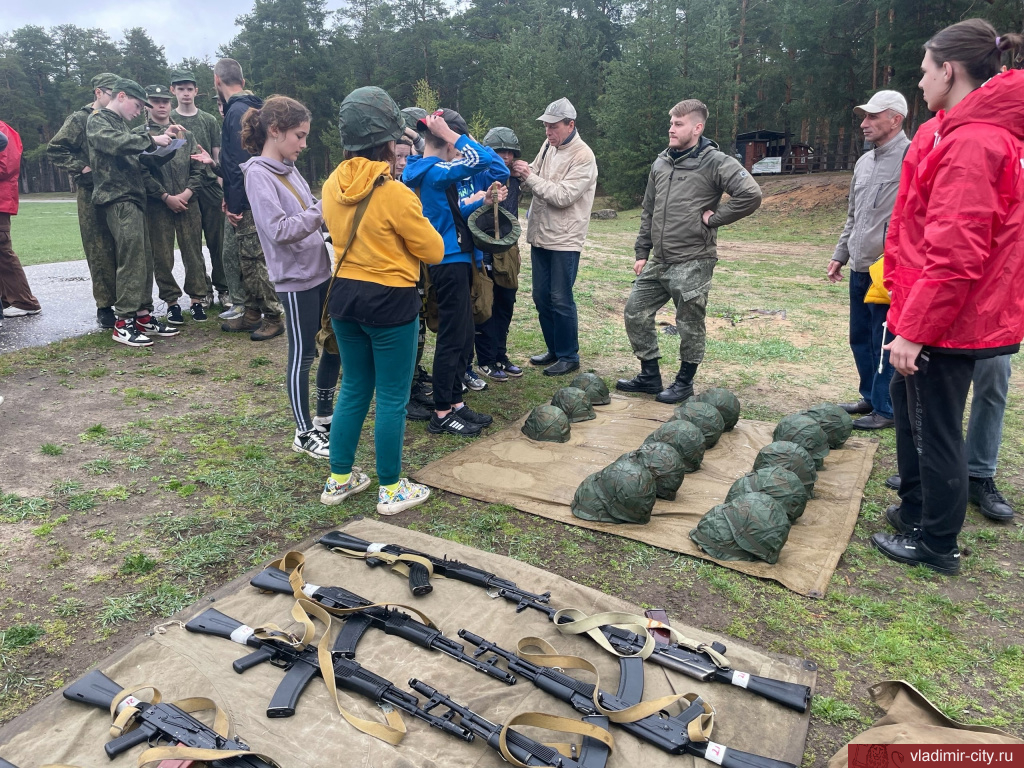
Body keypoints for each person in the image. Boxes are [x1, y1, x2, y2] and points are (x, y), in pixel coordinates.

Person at [872, 20, 1024, 575]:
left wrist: (916, 331)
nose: (920, 81)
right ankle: (916, 508)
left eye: (924, 70)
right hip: (929, 306)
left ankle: (937, 543)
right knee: (912, 412)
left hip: (949, 319)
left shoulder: (975, 142)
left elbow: (957, 252)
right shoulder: (955, 130)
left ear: (949, 70)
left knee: (933, 425)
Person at [319, 86, 444, 513]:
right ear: (389, 142)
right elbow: (434, 251)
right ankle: (391, 489)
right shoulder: (395, 193)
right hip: (390, 301)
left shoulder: (331, 184)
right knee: (392, 397)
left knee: (353, 387)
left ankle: (339, 480)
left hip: (344, 298)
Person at [616, 99, 762, 403]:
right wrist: (642, 251)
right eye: (671, 123)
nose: (671, 129)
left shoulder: (716, 161)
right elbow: (649, 210)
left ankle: (684, 382)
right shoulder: (661, 162)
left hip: (694, 258)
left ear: (697, 128)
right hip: (661, 259)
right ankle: (650, 376)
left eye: (678, 124)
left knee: (689, 323)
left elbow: (750, 194)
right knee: (635, 311)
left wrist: (717, 217)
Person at [239, 95, 340, 460]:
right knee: (303, 353)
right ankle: (303, 432)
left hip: (319, 271)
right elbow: (279, 229)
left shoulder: (288, 166)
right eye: (299, 135)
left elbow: (310, 213)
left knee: (333, 342)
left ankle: (324, 416)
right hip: (294, 282)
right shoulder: (258, 174)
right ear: (275, 130)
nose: (303, 143)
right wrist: (325, 208)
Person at [402, 109, 507, 437]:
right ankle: (443, 413)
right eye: (454, 143)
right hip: (447, 260)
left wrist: (479, 198)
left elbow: (448, 210)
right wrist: (453, 134)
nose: (459, 148)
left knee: (461, 336)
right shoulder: (434, 170)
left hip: (456, 256)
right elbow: (482, 159)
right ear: (447, 143)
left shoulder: (431, 171)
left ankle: (456, 403)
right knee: (451, 338)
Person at [828, 90, 910, 431]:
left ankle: (886, 407)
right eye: (864, 117)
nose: (865, 123)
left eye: (873, 116)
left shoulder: (912, 157)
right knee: (860, 337)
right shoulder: (864, 162)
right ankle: (869, 396)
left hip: (888, 271)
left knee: (883, 342)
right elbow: (853, 215)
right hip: (860, 267)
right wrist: (840, 255)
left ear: (896, 119)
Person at [86, 78, 180, 347]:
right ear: (122, 96)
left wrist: (166, 147)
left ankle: (142, 315)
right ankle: (123, 322)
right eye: (138, 106)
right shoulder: (99, 120)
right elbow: (113, 143)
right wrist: (150, 138)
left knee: (143, 258)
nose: (140, 112)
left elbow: (137, 161)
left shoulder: (120, 125)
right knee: (131, 259)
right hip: (118, 198)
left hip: (134, 198)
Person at [512, 97, 598, 377]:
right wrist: (523, 172)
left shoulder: (583, 156)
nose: (548, 132)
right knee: (540, 296)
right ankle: (554, 349)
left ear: (570, 124)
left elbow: (563, 196)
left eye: (553, 127)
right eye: (546, 126)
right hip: (541, 235)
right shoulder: (549, 146)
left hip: (565, 239)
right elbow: (536, 171)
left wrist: (530, 178)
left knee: (560, 298)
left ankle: (568, 355)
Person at [212, 58, 283, 340]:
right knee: (247, 259)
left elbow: (240, 163)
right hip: (252, 196)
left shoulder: (235, 112)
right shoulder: (252, 107)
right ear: (241, 80)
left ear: (217, 80)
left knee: (254, 260)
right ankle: (252, 313)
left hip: (250, 201)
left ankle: (274, 316)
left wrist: (237, 203)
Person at [47, 72, 119, 328]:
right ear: (98, 92)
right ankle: (105, 306)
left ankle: (128, 302)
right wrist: (81, 167)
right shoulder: (80, 119)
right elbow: (55, 148)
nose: (115, 98)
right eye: (112, 92)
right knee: (98, 248)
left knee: (124, 248)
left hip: (119, 191)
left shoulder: (117, 118)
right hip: (91, 193)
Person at [137, 84, 209, 325]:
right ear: (147, 105)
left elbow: (199, 166)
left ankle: (198, 299)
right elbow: (142, 172)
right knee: (162, 255)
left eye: (165, 101)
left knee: (193, 252)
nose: (161, 105)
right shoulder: (142, 136)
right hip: (159, 205)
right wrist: (165, 196)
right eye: (155, 101)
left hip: (189, 202)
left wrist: (187, 193)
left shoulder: (184, 133)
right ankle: (171, 302)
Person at [170, 69, 233, 309]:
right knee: (191, 245)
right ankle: (201, 290)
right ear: (173, 91)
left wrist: (223, 189)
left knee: (219, 241)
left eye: (189, 89)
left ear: (196, 91)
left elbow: (217, 156)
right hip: (184, 190)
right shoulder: (170, 122)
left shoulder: (208, 120)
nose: (185, 93)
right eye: (180, 89)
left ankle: (224, 289)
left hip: (210, 186)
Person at [474, 126, 525, 382]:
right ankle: (484, 360)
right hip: (482, 249)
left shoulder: (515, 179)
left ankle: (500, 355)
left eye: (508, 152)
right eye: (498, 151)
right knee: (485, 306)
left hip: (507, 251)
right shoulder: (480, 176)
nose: (504, 156)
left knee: (505, 305)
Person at [0, 119, 42, 319]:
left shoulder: (3, 130)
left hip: (0, 201)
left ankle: (25, 301)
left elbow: (5, 167)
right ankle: (7, 298)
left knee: (2, 252)